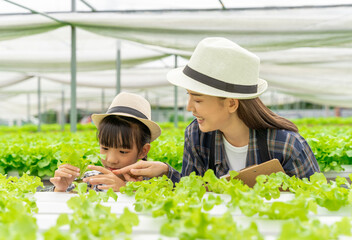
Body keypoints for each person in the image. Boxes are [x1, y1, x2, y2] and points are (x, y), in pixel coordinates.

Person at [113, 37, 320, 184]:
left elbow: (315, 203)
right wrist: (166, 172)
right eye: (189, 96)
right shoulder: (196, 135)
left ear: (231, 103)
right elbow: (193, 192)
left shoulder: (287, 145)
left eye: (198, 99)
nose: (189, 108)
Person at [49, 92, 161, 192]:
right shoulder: (90, 179)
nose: (111, 160)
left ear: (143, 151)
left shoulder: (153, 184)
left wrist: (126, 189)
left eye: (123, 151)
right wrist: (60, 189)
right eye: (105, 148)